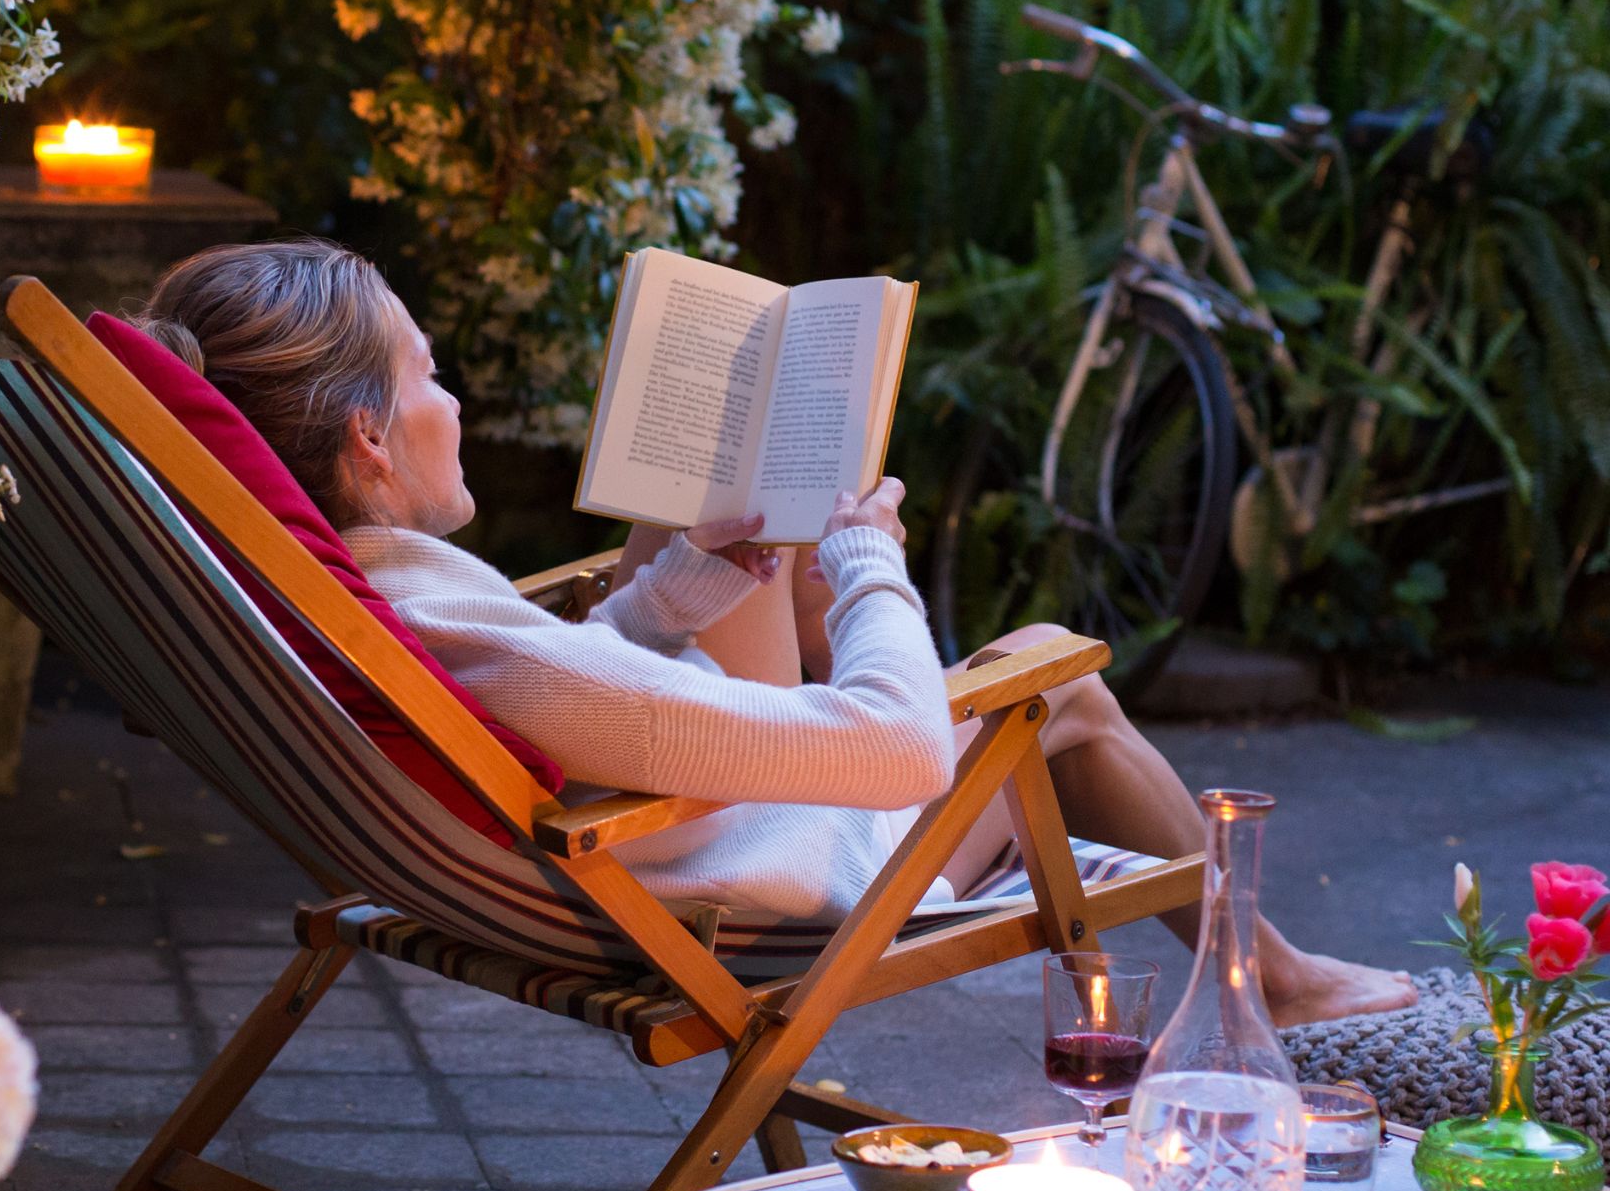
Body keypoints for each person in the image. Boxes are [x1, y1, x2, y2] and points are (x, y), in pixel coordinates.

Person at [137, 238, 1415, 1028]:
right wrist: (869, 557)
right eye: (428, 374)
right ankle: (1266, 973)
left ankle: (1263, 960)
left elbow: (574, 703)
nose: (452, 399)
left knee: (751, 508)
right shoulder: (462, 634)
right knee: (1056, 680)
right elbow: (900, 748)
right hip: (763, 877)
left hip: (650, 824)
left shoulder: (360, 602)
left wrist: (676, 593)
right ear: (366, 436)